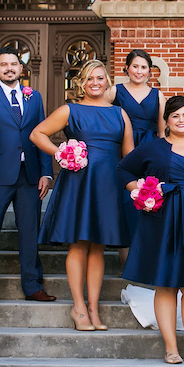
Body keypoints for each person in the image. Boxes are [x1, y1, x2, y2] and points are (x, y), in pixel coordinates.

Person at [117, 96, 184, 364]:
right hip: (161, 221)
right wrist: (141, 191)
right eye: (175, 116)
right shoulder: (153, 148)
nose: (181, 120)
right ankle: (170, 348)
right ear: (166, 121)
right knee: (165, 285)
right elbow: (123, 170)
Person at [30, 60, 134, 331]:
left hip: (108, 184)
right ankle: (78, 308)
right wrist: (60, 153)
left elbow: (130, 156)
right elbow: (37, 133)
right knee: (78, 243)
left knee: (98, 246)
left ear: (107, 81)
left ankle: (93, 308)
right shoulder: (69, 110)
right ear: (82, 83)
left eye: (100, 78)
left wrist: (137, 186)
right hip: (79, 183)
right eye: (90, 79)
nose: (95, 83)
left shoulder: (119, 114)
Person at [0, 47, 55, 304]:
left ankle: (32, 285)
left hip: (29, 176)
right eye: (4, 64)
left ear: (21, 69)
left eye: (14, 64)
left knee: (30, 231)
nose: (9, 68)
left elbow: (41, 134)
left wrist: (46, 172)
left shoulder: (34, 97)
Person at [108, 49, 166, 262]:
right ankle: (127, 265)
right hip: (122, 153)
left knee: (151, 201)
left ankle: (148, 260)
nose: (139, 71)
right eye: (135, 66)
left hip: (149, 154)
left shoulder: (157, 96)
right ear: (127, 68)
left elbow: (162, 132)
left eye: (143, 67)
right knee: (126, 204)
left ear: (150, 71)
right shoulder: (114, 92)